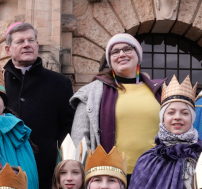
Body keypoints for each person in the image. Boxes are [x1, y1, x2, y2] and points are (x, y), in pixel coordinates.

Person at [70, 33, 165, 175]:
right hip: (108, 177)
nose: (121, 54)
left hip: (155, 175)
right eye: (115, 52)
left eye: (127, 49)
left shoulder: (160, 91)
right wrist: (81, 174)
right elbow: (79, 139)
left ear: (138, 56)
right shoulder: (91, 92)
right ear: (110, 60)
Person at [2, 22, 75, 189]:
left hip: (45, 169)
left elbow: (67, 130)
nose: (27, 44)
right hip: (4, 166)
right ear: (8, 49)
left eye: (31, 40)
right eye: (20, 41)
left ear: (37, 45)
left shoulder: (60, 83)